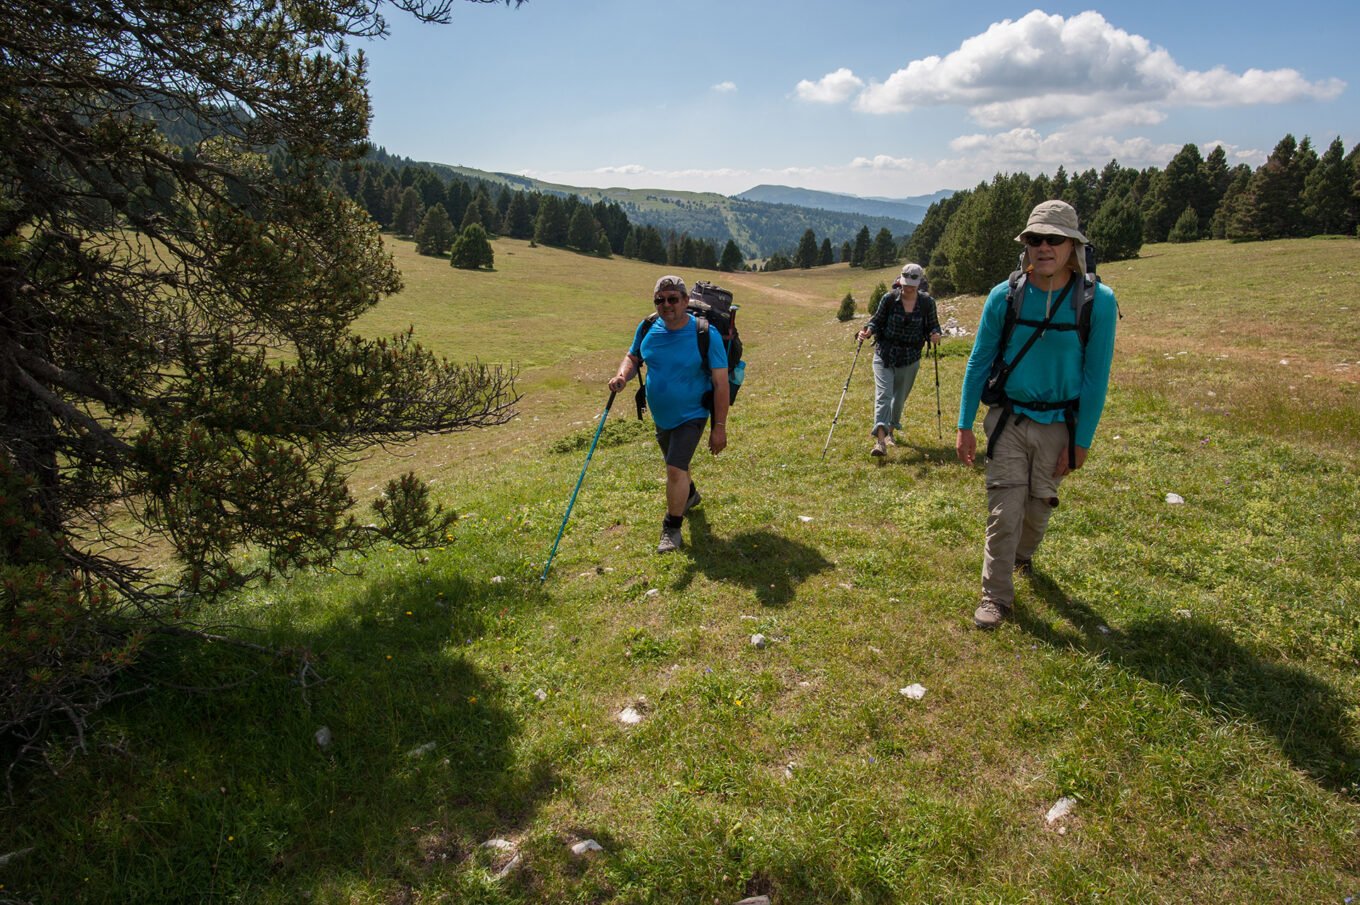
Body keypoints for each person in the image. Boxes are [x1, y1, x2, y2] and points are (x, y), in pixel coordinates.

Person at [955, 200, 1118, 629]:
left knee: (1037, 509)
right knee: (1004, 510)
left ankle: (1023, 557)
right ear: (1025, 245)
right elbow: (977, 361)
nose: (1043, 247)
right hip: (1008, 421)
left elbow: (1095, 377)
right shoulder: (1004, 296)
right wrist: (964, 424)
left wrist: (1080, 441)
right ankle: (996, 596)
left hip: (1060, 427)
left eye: (1054, 239)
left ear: (1073, 246)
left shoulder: (1097, 302)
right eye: (1035, 239)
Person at [608, 275, 730, 554]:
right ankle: (690, 495)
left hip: (693, 414)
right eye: (660, 300)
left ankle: (671, 529)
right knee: (679, 466)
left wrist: (719, 426)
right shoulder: (648, 326)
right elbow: (633, 356)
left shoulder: (705, 334)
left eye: (673, 299)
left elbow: (721, 383)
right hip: (661, 416)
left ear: (686, 301)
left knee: (674, 469)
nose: (666, 305)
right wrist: (622, 376)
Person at [856, 263, 942, 456]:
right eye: (905, 283)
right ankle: (880, 442)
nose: (908, 287)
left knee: (899, 399)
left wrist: (935, 334)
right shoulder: (889, 299)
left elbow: (933, 326)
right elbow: (876, 320)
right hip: (885, 354)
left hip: (910, 358)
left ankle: (890, 432)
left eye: (912, 283)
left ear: (920, 283)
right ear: (900, 281)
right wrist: (868, 331)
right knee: (884, 395)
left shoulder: (927, 302)